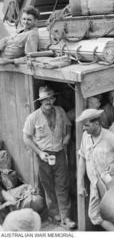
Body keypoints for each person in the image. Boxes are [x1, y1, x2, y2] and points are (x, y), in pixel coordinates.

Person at [22, 86, 76, 229]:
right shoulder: (33, 117)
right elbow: (26, 138)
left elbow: (69, 125)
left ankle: (66, 217)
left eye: (50, 98)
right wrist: (39, 152)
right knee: (48, 187)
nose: (48, 101)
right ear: (40, 101)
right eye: (45, 99)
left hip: (58, 154)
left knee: (62, 186)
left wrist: (67, 136)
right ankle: (54, 215)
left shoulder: (60, 111)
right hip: (43, 156)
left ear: (53, 99)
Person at [77, 109, 114, 230]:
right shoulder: (85, 136)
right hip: (95, 185)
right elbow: (82, 159)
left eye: (87, 125)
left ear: (97, 123)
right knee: (94, 215)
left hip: (113, 186)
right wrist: (80, 184)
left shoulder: (110, 138)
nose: (84, 128)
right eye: (83, 125)